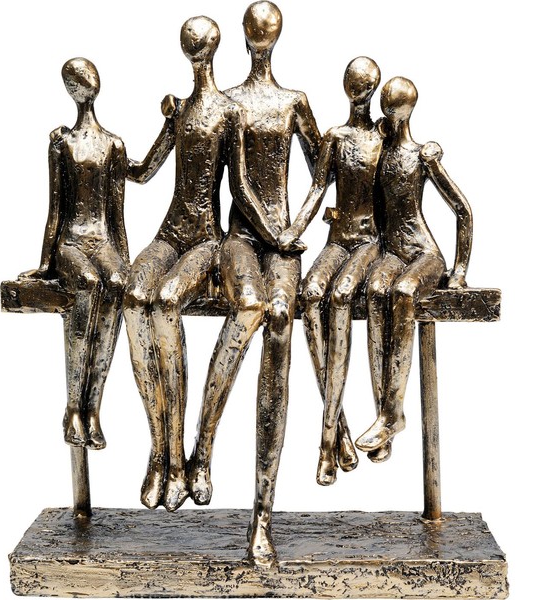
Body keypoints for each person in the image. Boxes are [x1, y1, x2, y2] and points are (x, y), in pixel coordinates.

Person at [187, 1, 335, 567]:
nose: (259, 37)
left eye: (266, 30)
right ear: (244, 35)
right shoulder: (227, 103)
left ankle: (262, 515)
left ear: (275, 36)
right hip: (241, 238)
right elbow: (222, 181)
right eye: (253, 30)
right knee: (248, 309)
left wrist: (304, 224)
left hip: (284, 242)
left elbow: (324, 170)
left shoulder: (294, 101)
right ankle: (202, 448)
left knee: (280, 326)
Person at [123, 16, 279, 513]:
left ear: (210, 48)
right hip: (169, 233)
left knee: (167, 300)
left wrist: (277, 237)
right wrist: (106, 152)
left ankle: (188, 455)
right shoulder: (179, 110)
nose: (195, 49)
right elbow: (143, 170)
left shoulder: (229, 112)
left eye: (200, 43)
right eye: (189, 43)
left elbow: (241, 188)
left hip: (206, 239)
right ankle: (161, 451)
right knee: (133, 296)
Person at [279, 57, 390, 487]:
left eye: (363, 84)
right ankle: (338, 424)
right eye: (352, 83)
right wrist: (294, 229)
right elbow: (315, 189)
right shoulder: (335, 137)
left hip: (368, 243)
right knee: (309, 295)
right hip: (336, 240)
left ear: (372, 88)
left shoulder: (383, 139)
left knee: (341, 296)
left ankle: (326, 445)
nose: (357, 90)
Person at [355, 77, 473, 454]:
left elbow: (462, 210)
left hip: (424, 254)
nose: (387, 114)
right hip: (391, 253)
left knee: (404, 291)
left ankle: (392, 413)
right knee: (376, 290)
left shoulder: (422, 155)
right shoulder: (379, 154)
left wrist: (459, 270)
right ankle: (385, 416)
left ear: (404, 111)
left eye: (392, 108)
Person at [20, 58, 129, 451]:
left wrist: (125, 262)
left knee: (115, 283)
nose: (85, 83)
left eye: (86, 76)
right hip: (71, 242)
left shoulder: (114, 144)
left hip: (103, 241)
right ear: (71, 89)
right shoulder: (61, 144)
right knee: (86, 282)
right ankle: (73, 408)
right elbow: (55, 209)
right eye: (76, 79)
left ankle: (94, 406)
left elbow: (117, 214)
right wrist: (45, 264)